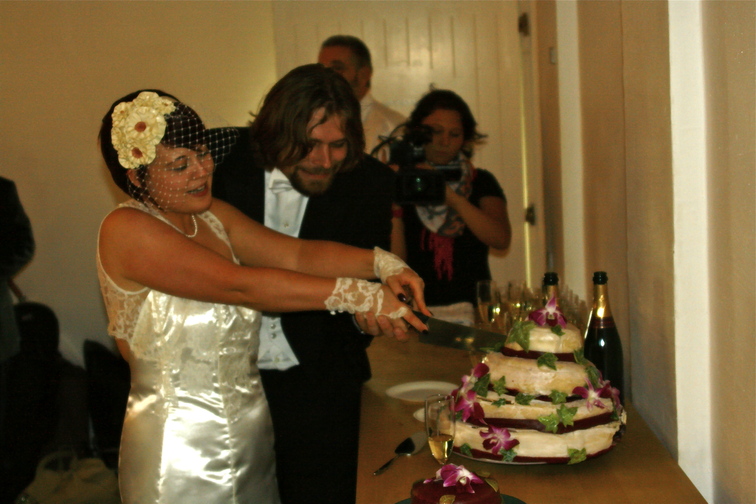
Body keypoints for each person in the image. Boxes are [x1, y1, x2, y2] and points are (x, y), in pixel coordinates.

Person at [97, 89, 428, 504]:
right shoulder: (126, 229)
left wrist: (382, 263)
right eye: (180, 165)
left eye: (202, 154)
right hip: (180, 451)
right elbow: (240, 285)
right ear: (136, 176)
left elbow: (296, 255)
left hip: (250, 434)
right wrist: (360, 295)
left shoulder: (210, 216)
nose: (201, 170)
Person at [211, 63, 406, 504]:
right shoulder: (219, 164)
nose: (324, 161)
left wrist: (364, 319)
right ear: (273, 132)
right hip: (225, 382)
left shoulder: (370, 183)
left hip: (323, 386)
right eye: (309, 145)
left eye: (338, 145)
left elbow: (361, 282)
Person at [395, 89, 512, 310]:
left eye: (455, 134)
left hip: (473, 307)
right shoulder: (401, 181)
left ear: (465, 139)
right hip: (414, 307)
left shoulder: (480, 181)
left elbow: (500, 239)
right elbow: (393, 261)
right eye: (435, 132)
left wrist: (453, 198)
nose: (444, 141)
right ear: (417, 133)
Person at [318, 35, 405, 162]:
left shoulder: (393, 127)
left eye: (337, 68)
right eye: (322, 69)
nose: (327, 76)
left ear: (364, 74)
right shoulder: (313, 121)